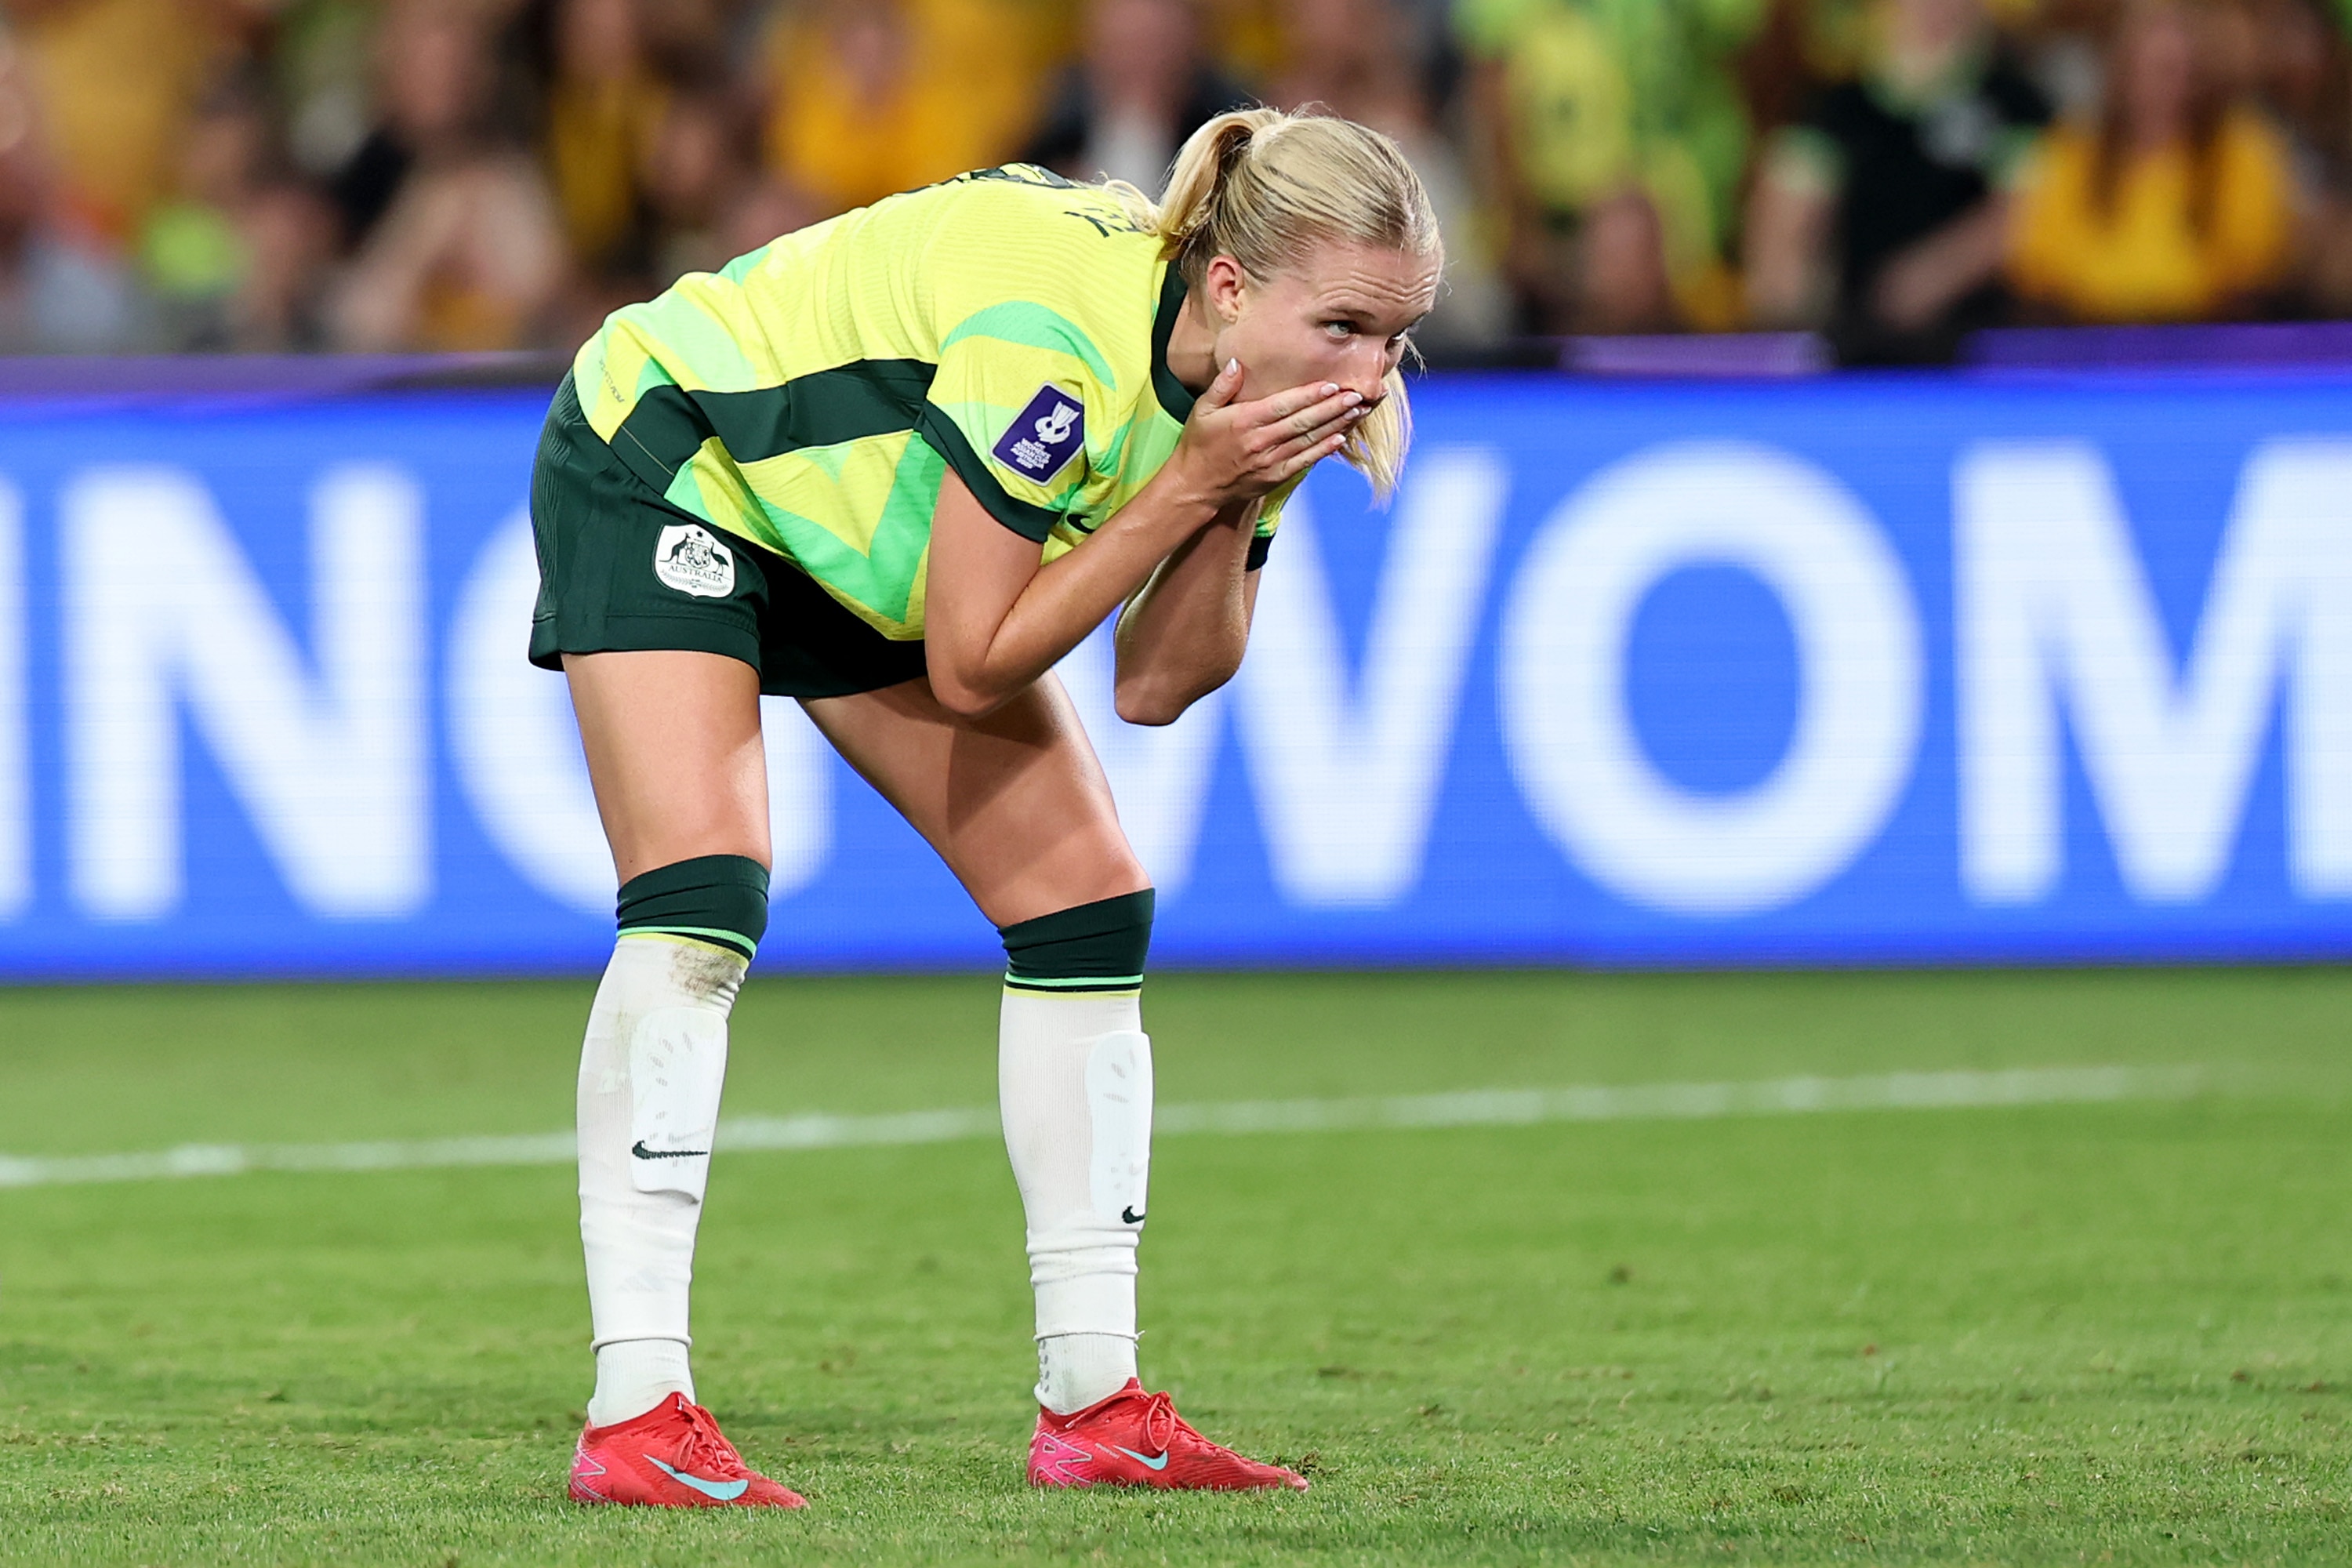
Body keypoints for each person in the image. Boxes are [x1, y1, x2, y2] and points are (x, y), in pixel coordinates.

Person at [531, 106, 1440, 1506]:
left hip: (858, 526)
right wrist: (1190, 482)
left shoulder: (1251, 391)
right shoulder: (1056, 344)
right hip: (680, 450)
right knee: (706, 893)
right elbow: (968, 661)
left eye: (1396, 337)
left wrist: (1229, 488)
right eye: (1349, 328)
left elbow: (1159, 682)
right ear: (1232, 286)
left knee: (1086, 900)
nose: (1373, 373)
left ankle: (1098, 1405)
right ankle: (634, 1410)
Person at [1744, 0, 2050, 361]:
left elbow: (2026, 212)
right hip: (1854, 352)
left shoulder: (2016, 104)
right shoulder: (1835, 107)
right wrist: (1791, 312)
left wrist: (1932, 274)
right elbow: (1782, 240)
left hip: (1977, 350)